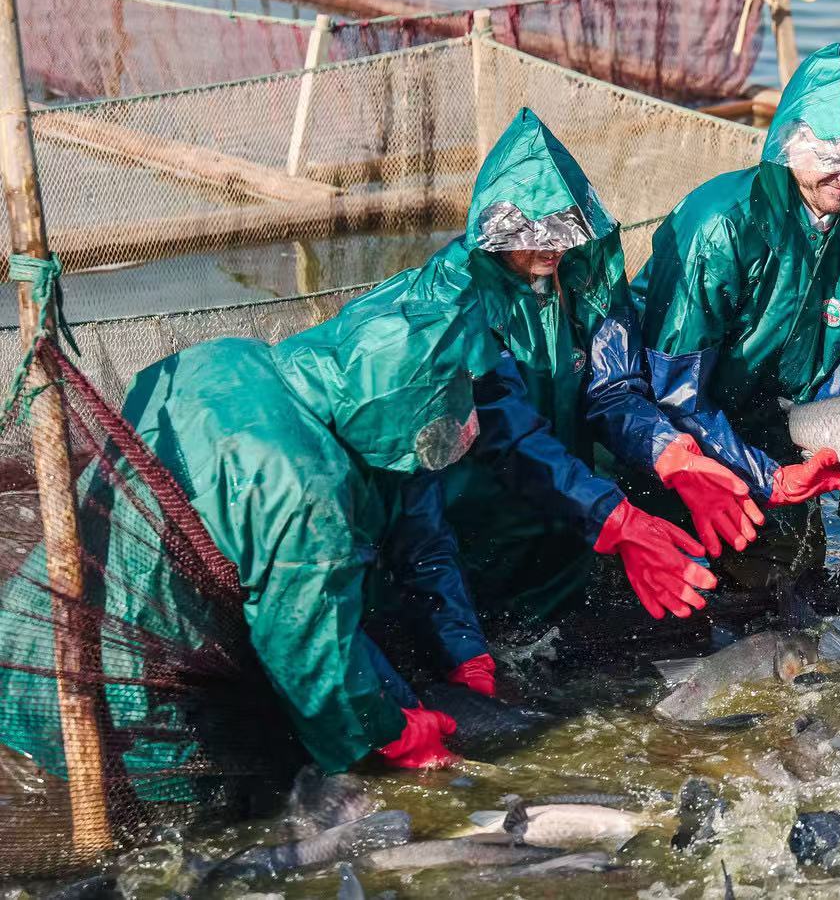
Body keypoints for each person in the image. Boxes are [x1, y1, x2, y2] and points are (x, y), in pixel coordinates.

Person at [0, 303, 497, 779]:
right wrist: (392, 734)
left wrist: (460, 649)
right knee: (201, 833)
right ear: (396, 416)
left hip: (26, 634)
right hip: (121, 703)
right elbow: (309, 657)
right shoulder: (306, 492)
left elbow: (406, 528)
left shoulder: (232, 357)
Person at [343, 109, 749, 627]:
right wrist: (614, 517)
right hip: (478, 513)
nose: (553, 246)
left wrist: (671, 453)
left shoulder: (586, 272)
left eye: (564, 228)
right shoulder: (457, 296)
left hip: (569, 508)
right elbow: (506, 432)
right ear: (497, 229)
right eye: (534, 233)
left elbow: (614, 389)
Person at [634, 43, 840, 528]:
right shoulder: (722, 225)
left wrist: (836, 449)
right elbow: (673, 386)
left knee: (790, 575)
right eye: (834, 157)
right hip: (683, 428)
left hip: (791, 429)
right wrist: (760, 474)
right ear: (791, 145)